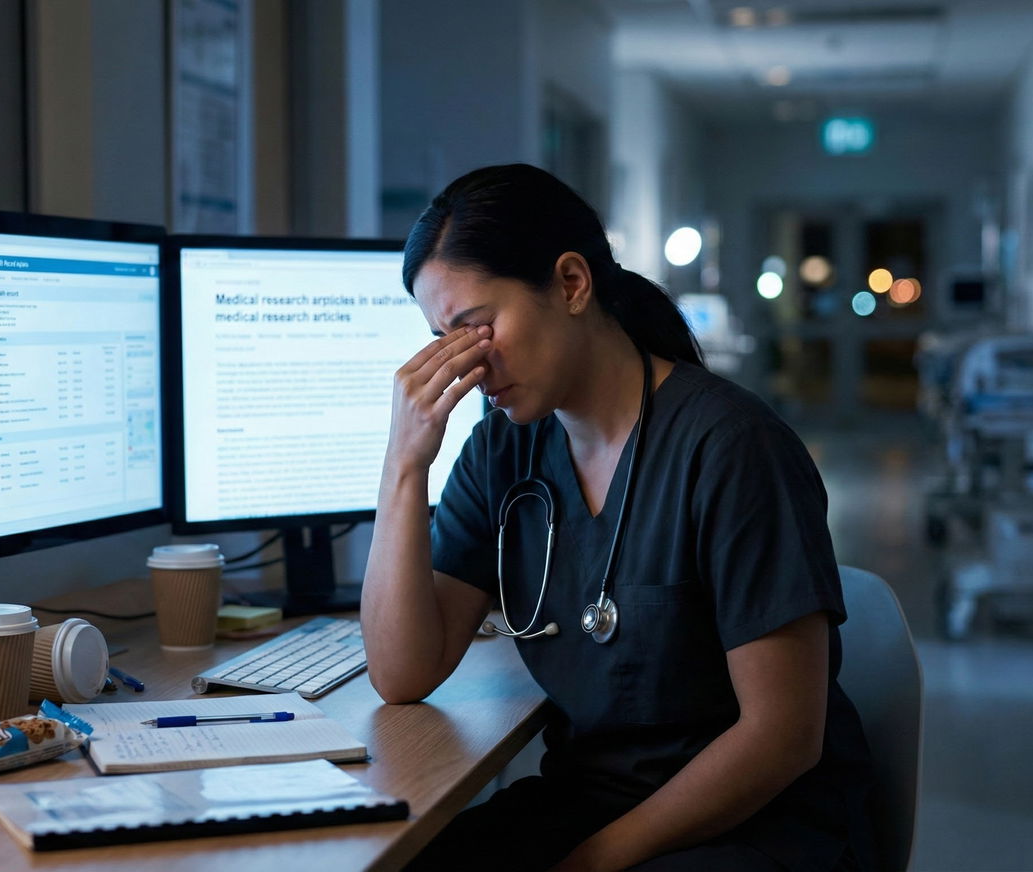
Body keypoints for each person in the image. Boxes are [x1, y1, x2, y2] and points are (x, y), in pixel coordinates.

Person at [360, 163, 879, 872]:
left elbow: (783, 737)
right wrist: (403, 467)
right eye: (442, 340)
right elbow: (402, 672)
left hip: (760, 822)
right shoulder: (503, 451)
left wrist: (594, 861)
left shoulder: (731, 448)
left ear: (572, 284)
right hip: (589, 803)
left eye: (476, 329)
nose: (468, 368)